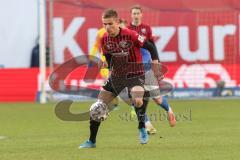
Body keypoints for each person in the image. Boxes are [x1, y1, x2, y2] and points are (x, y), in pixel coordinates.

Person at [79, 9, 161, 148]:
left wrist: (155, 62)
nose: (107, 27)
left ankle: (141, 127)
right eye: (104, 24)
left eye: (110, 23)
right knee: (97, 108)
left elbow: (150, 47)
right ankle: (91, 141)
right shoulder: (105, 38)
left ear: (117, 22)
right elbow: (109, 58)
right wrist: (106, 64)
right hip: (116, 77)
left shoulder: (131, 35)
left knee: (138, 100)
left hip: (135, 75)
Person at [127, 5, 176, 134]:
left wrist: (157, 64)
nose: (136, 15)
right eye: (134, 13)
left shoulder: (146, 29)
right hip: (133, 69)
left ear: (141, 15)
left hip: (147, 67)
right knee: (136, 99)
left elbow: (152, 46)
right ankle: (147, 125)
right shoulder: (127, 30)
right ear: (131, 15)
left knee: (157, 98)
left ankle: (170, 111)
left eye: (138, 13)